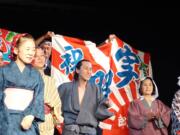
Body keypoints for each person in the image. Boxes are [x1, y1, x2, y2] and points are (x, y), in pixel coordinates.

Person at [0, 33, 45, 135]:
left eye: (33, 49)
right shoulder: (3, 71)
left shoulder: (36, 75)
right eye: (27, 49)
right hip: (5, 121)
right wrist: (5, 118)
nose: (31, 53)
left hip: (28, 121)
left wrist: (31, 116)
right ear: (16, 50)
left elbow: (39, 98)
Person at [58, 59, 113, 135]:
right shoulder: (65, 87)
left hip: (89, 131)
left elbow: (101, 109)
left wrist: (107, 104)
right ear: (77, 70)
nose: (89, 72)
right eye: (86, 68)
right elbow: (54, 104)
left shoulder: (96, 89)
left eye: (90, 69)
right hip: (70, 131)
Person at [32, 47, 64, 135]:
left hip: (47, 125)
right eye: (36, 56)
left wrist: (55, 120)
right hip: (29, 123)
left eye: (42, 55)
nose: (40, 58)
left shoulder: (50, 80)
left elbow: (56, 105)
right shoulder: (24, 79)